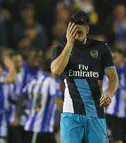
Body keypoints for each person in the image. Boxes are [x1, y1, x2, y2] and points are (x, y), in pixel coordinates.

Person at [50, 11, 119, 143]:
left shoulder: (101, 48)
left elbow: (113, 78)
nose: (76, 34)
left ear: (88, 29)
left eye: (80, 31)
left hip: (95, 113)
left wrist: (109, 93)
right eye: (73, 30)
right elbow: (55, 71)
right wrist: (69, 44)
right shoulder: (61, 48)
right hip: (71, 114)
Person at [22, 59, 62, 143]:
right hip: (43, 128)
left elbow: (22, 96)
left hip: (29, 125)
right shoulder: (52, 82)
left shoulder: (33, 81)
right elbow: (58, 104)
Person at [104, 49, 126, 143]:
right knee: (117, 140)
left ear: (122, 57)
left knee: (125, 140)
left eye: (114, 57)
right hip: (113, 112)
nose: (112, 60)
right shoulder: (108, 72)